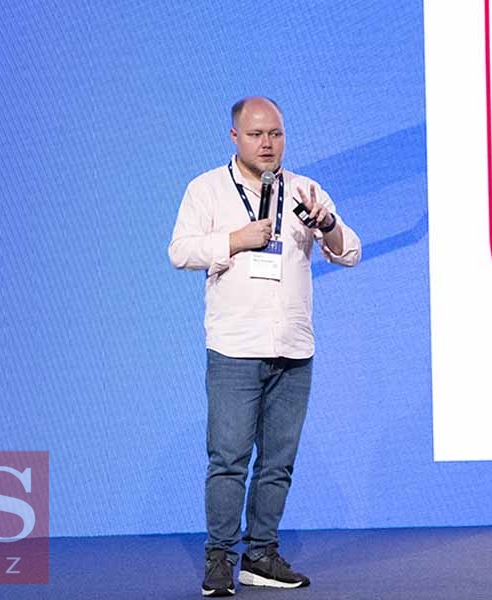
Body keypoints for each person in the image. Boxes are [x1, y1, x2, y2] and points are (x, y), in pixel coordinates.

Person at [168, 96, 361, 597]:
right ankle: (219, 559)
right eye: (256, 135)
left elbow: (350, 252)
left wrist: (327, 226)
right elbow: (180, 251)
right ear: (235, 137)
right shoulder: (207, 189)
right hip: (235, 346)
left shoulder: (304, 190)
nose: (268, 143)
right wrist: (233, 240)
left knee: (278, 462)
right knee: (229, 459)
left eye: (275, 133)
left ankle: (261, 555)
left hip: (293, 348)